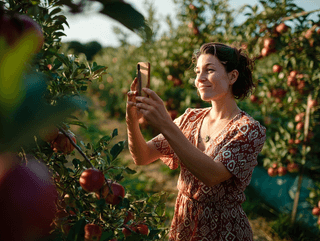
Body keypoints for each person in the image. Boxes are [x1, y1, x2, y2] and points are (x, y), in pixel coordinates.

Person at [126, 42, 266, 241]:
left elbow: (211, 175)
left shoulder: (248, 129)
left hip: (223, 231)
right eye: (197, 71)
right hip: (184, 224)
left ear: (232, 76)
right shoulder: (190, 119)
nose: (199, 79)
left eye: (209, 70)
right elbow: (142, 156)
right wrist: (131, 121)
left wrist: (165, 123)